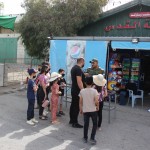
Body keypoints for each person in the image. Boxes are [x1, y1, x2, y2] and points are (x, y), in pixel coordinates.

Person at [79, 76, 99, 144]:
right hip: (93, 110)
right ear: (92, 82)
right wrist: (97, 106)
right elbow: (96, 101)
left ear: (85, 82)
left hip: (85, 110)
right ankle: (92, 138)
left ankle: (85, 138)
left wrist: (80, 109)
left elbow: (80, 102)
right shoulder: (95, 91)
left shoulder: (82, 91)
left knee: (86, 124)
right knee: (95, 124)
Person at [69, 57, 85, 128]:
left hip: (73, 89)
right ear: (82, 62)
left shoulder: (73, 68)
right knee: (76, 106)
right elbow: (79, 81)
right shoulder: (78, 69)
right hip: (77, 90)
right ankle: (75, 123)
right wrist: (83, 90)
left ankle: (71, 120)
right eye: (84, 62)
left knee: (73, 105)